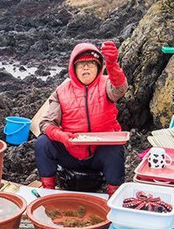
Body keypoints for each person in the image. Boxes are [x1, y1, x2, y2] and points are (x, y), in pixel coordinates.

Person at [35, 41, 128, 195]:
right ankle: (48, 192)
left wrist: (112, 64)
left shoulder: (106, 84)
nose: (86, 67)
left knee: (115, 149)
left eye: (91, 63)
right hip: (70, 153)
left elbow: (120, 89)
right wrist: (62, 136)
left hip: (99, 155)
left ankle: (114, 195)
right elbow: (45, 123)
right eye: (81, 64)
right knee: (43, 143)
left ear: (99, 67)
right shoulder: (61, 91)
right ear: (73, 69)